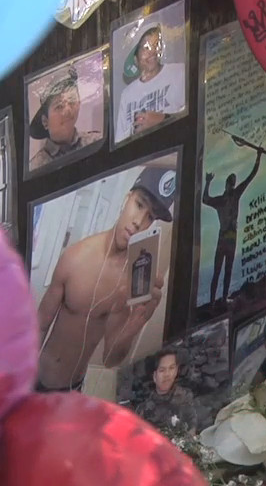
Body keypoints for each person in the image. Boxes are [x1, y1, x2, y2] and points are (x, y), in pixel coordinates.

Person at [35, 167, 176, 392]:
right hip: (39, 380)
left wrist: (135, 323)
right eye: (139, 205)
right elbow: (41, 323)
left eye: (150, 216)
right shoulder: (75, 258)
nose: (139, 221)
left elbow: (111, 358)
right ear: (126, 199)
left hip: (74, 388)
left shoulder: (130, 282)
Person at [202, 139, 263, 306]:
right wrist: (207, 182)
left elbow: (251, 176)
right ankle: (214, 301)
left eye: (234, 183)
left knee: (227, 270)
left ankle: (222, 299)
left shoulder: (236, 195)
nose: (233, 185)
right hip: (223, 237)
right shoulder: (221, 200)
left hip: (231, 237)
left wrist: (258, 157)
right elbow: (205, 199)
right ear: (227, 184)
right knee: (217, 271)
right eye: (231, 182)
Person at [114, 25, 187, 142]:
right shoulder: (127, 94)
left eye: (155, 45)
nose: (152, 51)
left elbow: (194, 117)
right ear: (135, 59)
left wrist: (163, 119)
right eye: (145, 48)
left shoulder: (179, 72)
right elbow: (120, 141)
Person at [28, 68, 102, 171]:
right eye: (59, 106)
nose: (67, 110)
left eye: (72, 101)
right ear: (45, 121)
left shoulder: (96, 141)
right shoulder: (36, 167)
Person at [135, 348, 198, 428]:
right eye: (162, 370)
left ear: (176, 371)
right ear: (154, 375)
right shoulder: (143, 409)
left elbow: (193, 426)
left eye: (171, 368)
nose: (167, 374)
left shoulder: (186, 398)